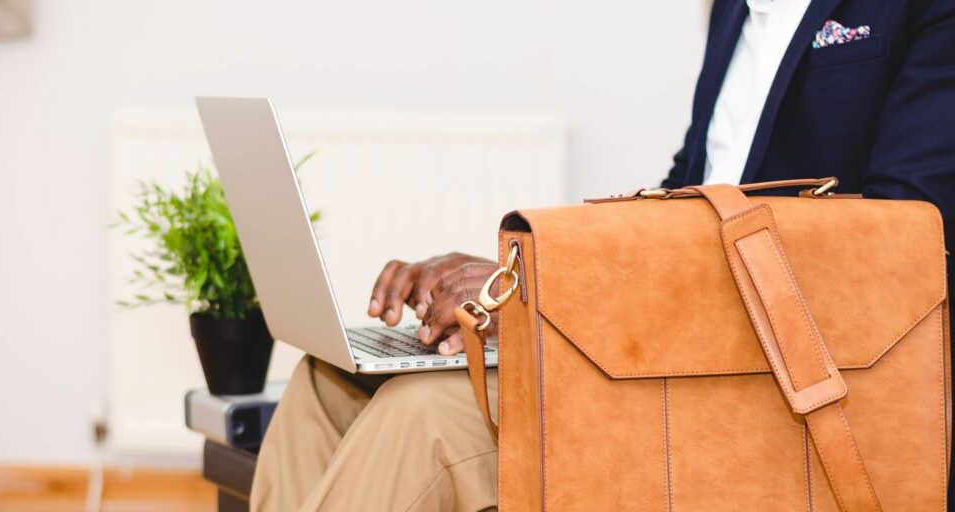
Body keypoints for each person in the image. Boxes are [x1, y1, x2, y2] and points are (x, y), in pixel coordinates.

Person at [251, 1, 955, 510]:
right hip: (681, 355)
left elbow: (898, 246)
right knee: (323, 383)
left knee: (423, 417)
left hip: (790, 392)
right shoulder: (734, 13)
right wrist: (522, 281)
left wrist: (554, 286)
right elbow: (686, 202)